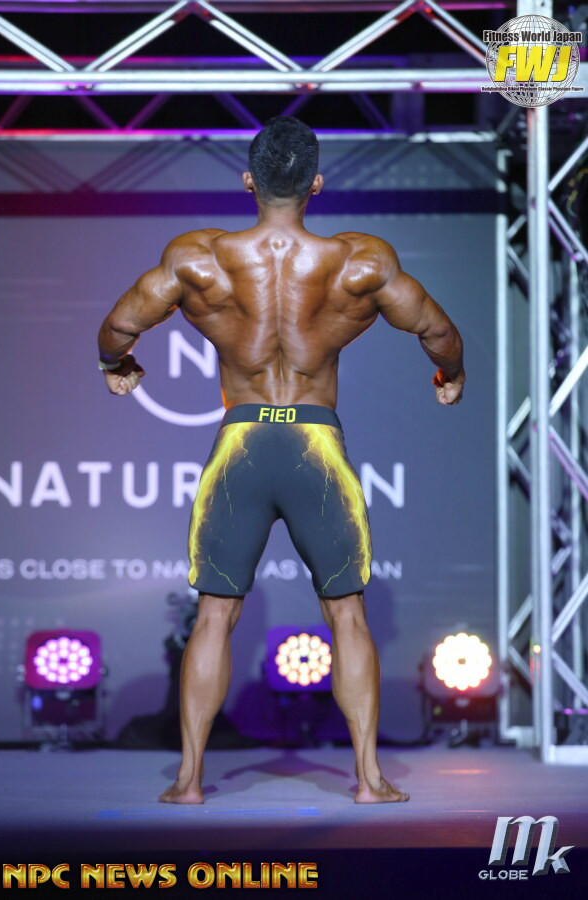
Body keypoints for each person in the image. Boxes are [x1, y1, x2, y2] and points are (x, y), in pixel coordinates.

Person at [97, 116, 465, 805]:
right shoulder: (360, 262)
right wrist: (451, 374)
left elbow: (118, 326)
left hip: (240, 445)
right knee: (347, 615)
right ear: (316, 184)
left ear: (249, 181)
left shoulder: (197, 257)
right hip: (315, 446)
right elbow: (439, 332)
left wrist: (117, 364)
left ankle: (188, 781)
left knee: (213, 615)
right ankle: (368, 780)